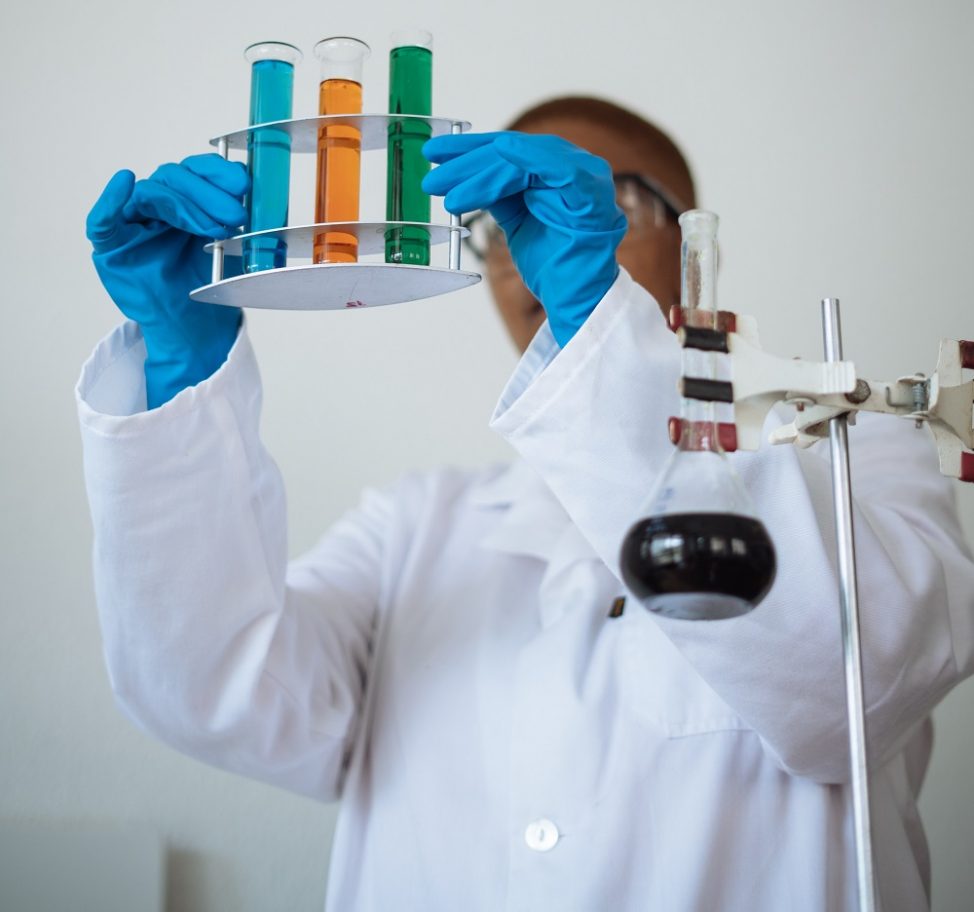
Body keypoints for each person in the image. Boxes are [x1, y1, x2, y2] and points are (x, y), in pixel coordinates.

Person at [76, 95, 974, 912]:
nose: (524, 248)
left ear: (696, 236)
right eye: (501, 224)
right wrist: (178, 374)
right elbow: (221, 694)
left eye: (603, 200)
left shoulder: (862, 461)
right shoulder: (416, 526)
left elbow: (842, 705)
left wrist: (600, 322)